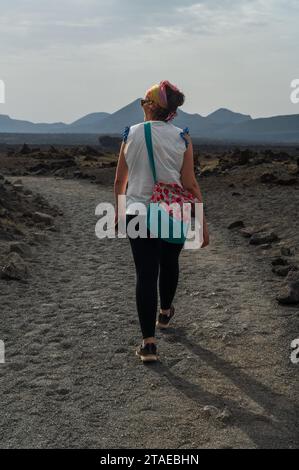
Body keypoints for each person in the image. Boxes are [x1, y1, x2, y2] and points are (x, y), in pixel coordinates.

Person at [114, 80, 209, 363]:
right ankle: (165, 314)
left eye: (143, 102)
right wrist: (202, 223)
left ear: (152, 106)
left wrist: (120, 214)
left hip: (138, 212)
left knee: (145, 274)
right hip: (173, 211)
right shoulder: (182, 137)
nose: (141, 107)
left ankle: (149, 344)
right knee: (170, 263)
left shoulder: (130, 134)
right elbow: (190, 184)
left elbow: (120, 181)